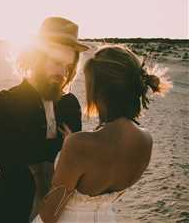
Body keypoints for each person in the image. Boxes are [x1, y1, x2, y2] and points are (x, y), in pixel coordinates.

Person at [33, 45, 172, 223]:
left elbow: (50, 214)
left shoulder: (79, 144)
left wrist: (71, 148)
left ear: (97, 91)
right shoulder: (146, 139)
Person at [0, 17, 90, 222]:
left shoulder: (69, 104)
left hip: (58, 211)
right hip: (10, 208)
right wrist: (56, 146)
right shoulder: (7, 100)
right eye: (56, 62)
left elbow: (76, 156)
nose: (62, 72)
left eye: (68, 66)